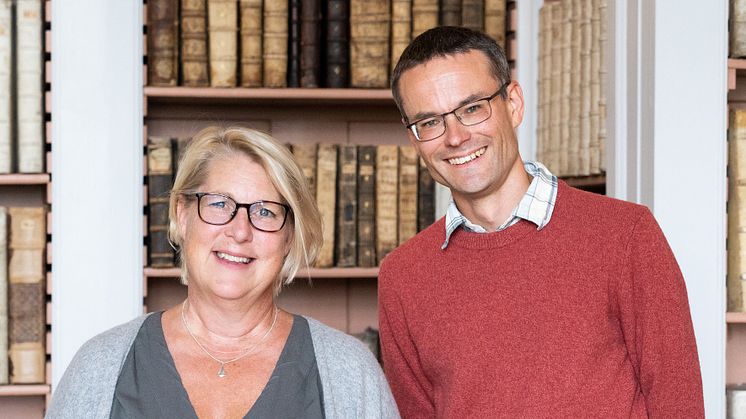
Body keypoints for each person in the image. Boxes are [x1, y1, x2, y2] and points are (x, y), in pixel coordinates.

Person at [378, 26, 704, 418]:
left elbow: (678, 404)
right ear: (415, 139)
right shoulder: (403, 276)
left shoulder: (625, 234)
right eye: (429, 122)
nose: (456, 137)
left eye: (471, 108)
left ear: (513, 103)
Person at [47, 126, 400, 419]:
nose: (240, 231)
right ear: (182, 215)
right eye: (219, 204)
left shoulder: (349, 372)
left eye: (265, 212)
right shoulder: (101, 365)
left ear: (290, 235)